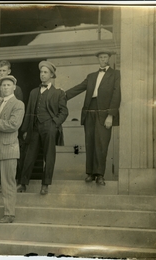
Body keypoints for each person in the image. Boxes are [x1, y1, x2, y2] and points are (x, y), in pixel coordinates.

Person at [65, 50, 121, 186]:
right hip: (89, 112)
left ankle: (100, 175)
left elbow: (116, 94)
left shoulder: (115, 74)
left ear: (109, 58)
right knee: (90, 143)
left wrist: (110, 116)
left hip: (104, 113)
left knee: (101, 144)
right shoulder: (91, 76)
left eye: (105, 57)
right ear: (98, 59)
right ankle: (90, 173)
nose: (103, 59)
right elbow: (78, 88)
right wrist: (61, 95)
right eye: (100, 57)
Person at [17, 61, 68, 195]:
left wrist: (54, 123)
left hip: (49, 127)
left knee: (49, 156)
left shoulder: (58, 93)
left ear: (51, 75)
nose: (43, 75)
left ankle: (45, 184)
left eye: (46, 72)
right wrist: (26, 129)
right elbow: (29, 111)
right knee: (29, 155)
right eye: (41, 72)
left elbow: (64, 112)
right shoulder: (34, 92)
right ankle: (23, 183)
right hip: (34, 128)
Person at [0, 75, 24, 224]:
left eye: (8, 85)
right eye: (3, 85)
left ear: (14, 87)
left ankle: (9, 214)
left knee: (7, 182)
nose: (5, 87)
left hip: (8, 148)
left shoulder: (18, 104)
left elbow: (13, 125)